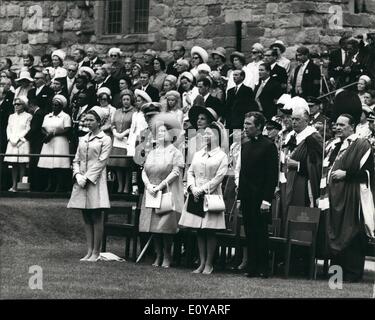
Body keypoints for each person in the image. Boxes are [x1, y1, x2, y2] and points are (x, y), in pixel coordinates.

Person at [327, 114, 375, 282]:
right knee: (335, 231)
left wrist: (346, 174)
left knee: (352, 231)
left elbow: (368, 173)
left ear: (352, 126)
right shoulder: (334, 145)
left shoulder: (362, 144)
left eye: (342, 125)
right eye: (336, 124)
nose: (338, 127)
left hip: (353, 196)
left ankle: (352, 275)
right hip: (335, 196)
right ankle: (335, 276)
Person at [179, 122, 228, 274]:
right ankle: (201, 262)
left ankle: (209, 264)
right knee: (199, 230)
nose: (206, 136)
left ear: (217, 136)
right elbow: (190, 171)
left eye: (209, 133)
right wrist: (192, 187)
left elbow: (219, 177)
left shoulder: (221, 155)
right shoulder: (198, 153)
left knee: (209, 230)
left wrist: (202, 189)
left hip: (211, 196)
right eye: (204, 133)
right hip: (196, 195)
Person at [139, 112, 185, 268]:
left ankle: (167, 255)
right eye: (158, 132)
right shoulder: (152, 151)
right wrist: (148, 185)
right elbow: (144, 170)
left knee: (165, 226)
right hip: (152, 191)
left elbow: (176, 172)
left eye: (163, 131)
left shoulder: (175, 152)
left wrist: (161, 186)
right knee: (153, 226)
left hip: (167, 191)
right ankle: (157, 255)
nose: (160, 134)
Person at [236, 112, 278, 278]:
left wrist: (267, 200)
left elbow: (272, 175)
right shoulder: (245, 145)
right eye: (245, 124)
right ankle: (251, 267)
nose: (245, 128)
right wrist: (240, 197)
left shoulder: (269, 146)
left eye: (249, 124)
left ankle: (263, 267)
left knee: (261, 233)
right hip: (247, 197)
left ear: (259, 126)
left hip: (261, 197)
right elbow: (242, 173)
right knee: (250, 232)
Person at [67, 106, 112, 262]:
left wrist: (87, 177)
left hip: (95, 181)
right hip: (81, 181)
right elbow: (76, 159)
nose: (87, 122)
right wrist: (78, 174)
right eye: (86, 120)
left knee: (96, 215)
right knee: (85, 215)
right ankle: (89, 250)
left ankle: (96, 251)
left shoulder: (105, 139)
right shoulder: (83, 138)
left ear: (99, 122)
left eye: (91, 120)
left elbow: (102, 161)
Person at [281, 102, 323, 232]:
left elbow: (317, 165)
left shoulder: (313, 137)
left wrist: (298, 165)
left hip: (304, 183)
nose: (294, 122)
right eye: (292, 119)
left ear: (307, 120)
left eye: (297, 119)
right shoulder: (291, 137)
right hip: (288, 181)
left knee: (300, 213)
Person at [38, 95, 72, 192]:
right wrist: (47, 135)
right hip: (49, 141)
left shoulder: (65, 116)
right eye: (53, 105)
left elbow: (67, 129)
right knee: (48, 164)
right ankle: (50, 185)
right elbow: (43, 128)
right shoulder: (47, 116)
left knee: (59, 164)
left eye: (57, 105)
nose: (54, 107)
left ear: (61, 106)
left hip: (60, 141)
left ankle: (59, 186)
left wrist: (53, 133)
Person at [109, 89, 135, 194]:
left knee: (127, 164)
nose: (126, 101)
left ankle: (126, 186)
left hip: (127, 140)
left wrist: (124, 133)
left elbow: (133, 126)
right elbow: (112, 124)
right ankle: (120, 186)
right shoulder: (117, 111)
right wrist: (115, 132)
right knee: (118, 164)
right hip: (117, 140)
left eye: (128, 99)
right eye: (124, 99)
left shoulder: (134, 112)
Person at [4, 97, 32, 192]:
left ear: (24, 105)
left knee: (22, 164)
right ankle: (14, 185)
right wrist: (11, 139)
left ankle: (21, 186)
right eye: (15, 104)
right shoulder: (11, 116)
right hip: (12, 143)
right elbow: (9, 129)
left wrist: (19, 139)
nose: (16, 106)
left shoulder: (28, 116)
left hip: (22, 142)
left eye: (18, 104)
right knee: (13, 164)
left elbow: (27, 129)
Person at [24, 98, 45, 191]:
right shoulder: (39, 113)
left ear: (31, 105)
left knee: (35, 162)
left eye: (29, 107)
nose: (28, 109)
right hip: (36, 141)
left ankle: (36, 186)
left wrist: (25, 138)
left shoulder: (38, 114)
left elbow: (34, 129)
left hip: (37, 142)